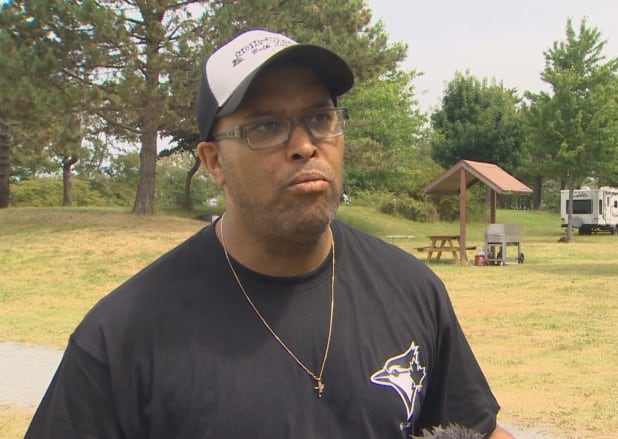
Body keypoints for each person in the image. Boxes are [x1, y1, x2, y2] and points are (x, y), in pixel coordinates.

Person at [25, 29, 514, 439]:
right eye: (266, 126)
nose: (304, 145)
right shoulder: (121, 337)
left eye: (320, 119)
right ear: (214, 161)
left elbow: (475, 427)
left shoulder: (412, 289)